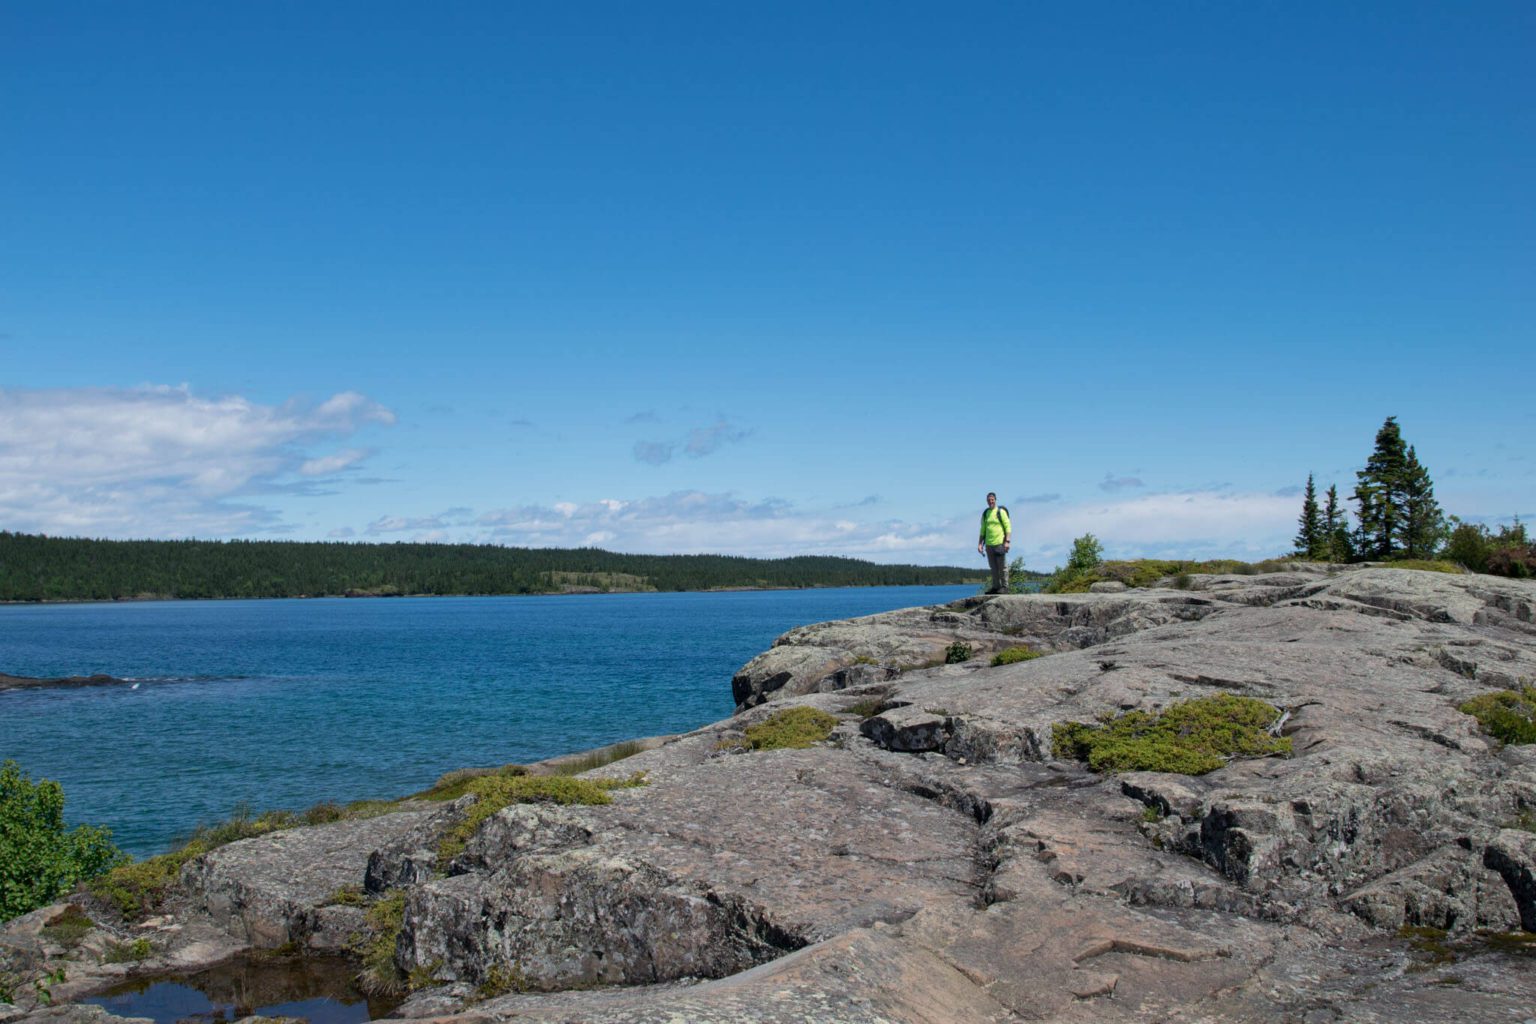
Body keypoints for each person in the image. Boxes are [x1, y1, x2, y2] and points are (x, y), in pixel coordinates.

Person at [977, 492, 1011, 594]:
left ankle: (1005, 587)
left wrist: (1007, 541)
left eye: (992, 500)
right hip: (989, 545)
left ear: (995, 500)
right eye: (989, 500)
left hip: (1000, 543)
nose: (990, 502)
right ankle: (996, 587)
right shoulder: (985, 513)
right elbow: (982, 530)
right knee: (993, 568)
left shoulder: (1000, 512)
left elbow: (1008, 527)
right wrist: (979, 544)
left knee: (1002, 567)